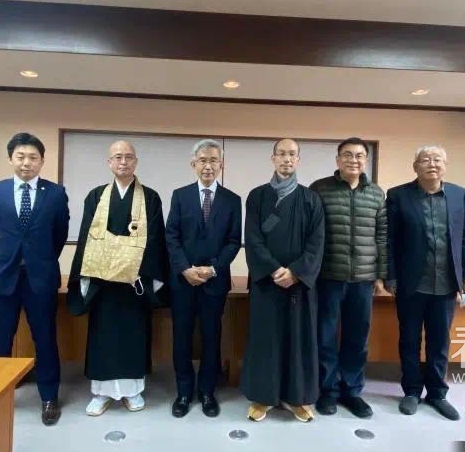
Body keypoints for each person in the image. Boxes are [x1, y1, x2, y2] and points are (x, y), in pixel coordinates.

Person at [66, 140, 168, 417]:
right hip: (103, 284)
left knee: (133, 335)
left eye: (129, 157)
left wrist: (135, 269)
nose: (123, 162)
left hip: (135, 283)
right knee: (103, 336)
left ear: (136, 162)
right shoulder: (96, 196)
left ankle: (133, 391)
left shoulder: (150, 198)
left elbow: (156, 240)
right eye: (118, 157)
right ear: (109, 162)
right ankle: (101, 392)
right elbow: (87, 238)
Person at [386, 145, 465, 421]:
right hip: (411, 283)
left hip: (446, 283)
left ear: (445, 165)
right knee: (409, 339)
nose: (432, 164)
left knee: (439, 341)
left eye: (437, 159)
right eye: (425, 160)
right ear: (415, 166)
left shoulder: (459, 194)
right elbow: (390, 240)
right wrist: (390, 275)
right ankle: (412, 391)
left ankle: (437, 393)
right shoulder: (398, 195)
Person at [0, 132, 69, 426]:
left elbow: (59, 235)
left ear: (42, 161)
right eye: (20, 156)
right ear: (11, 159)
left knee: (45, 339)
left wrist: (38, 259)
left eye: (33, 157)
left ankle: (49, 397)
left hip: (41, 278)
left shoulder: (55, 194)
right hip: (3, 277)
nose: (26, 162)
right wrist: (11, 256)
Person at [240, 138, 325, 423]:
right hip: (267, 283)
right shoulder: (257, 196)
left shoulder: (311, 199)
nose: (287, 159)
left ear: (298, 160)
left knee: (299, 340)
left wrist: (296, 272)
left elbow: (317, 242)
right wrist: (274, 270)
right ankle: (263, 397)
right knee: (266, 340)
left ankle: (296, 398)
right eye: (281, 154)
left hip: (299, 285)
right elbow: (252, 238)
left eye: (292, 154)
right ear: (273, 158)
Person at [310, 137, 387, 419]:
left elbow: (382, 236)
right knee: (326, 336)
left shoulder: (376, 194)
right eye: (347, 155)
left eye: (359, 155)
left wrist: (381, 275)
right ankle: (327, 390)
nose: (353, 160)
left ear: (365, 160)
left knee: (357, 338)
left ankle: (352, 391)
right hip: (328, 276)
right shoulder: (320, 189)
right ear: (338, 160)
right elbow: (310, 233)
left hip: (363, 279)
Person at [165, 139, 242, 418]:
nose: (208, 166)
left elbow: (233, 241)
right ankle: (184, 393)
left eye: (213, 160)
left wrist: (213, 269)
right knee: (182, 338)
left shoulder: (232, 200)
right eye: (202, 160)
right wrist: (185, 269)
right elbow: (171, 236)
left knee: (212, 338)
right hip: (183, 282)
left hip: (215, 282)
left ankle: (208, 392)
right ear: (193, 164)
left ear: (221, 165)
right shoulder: (180, 195)